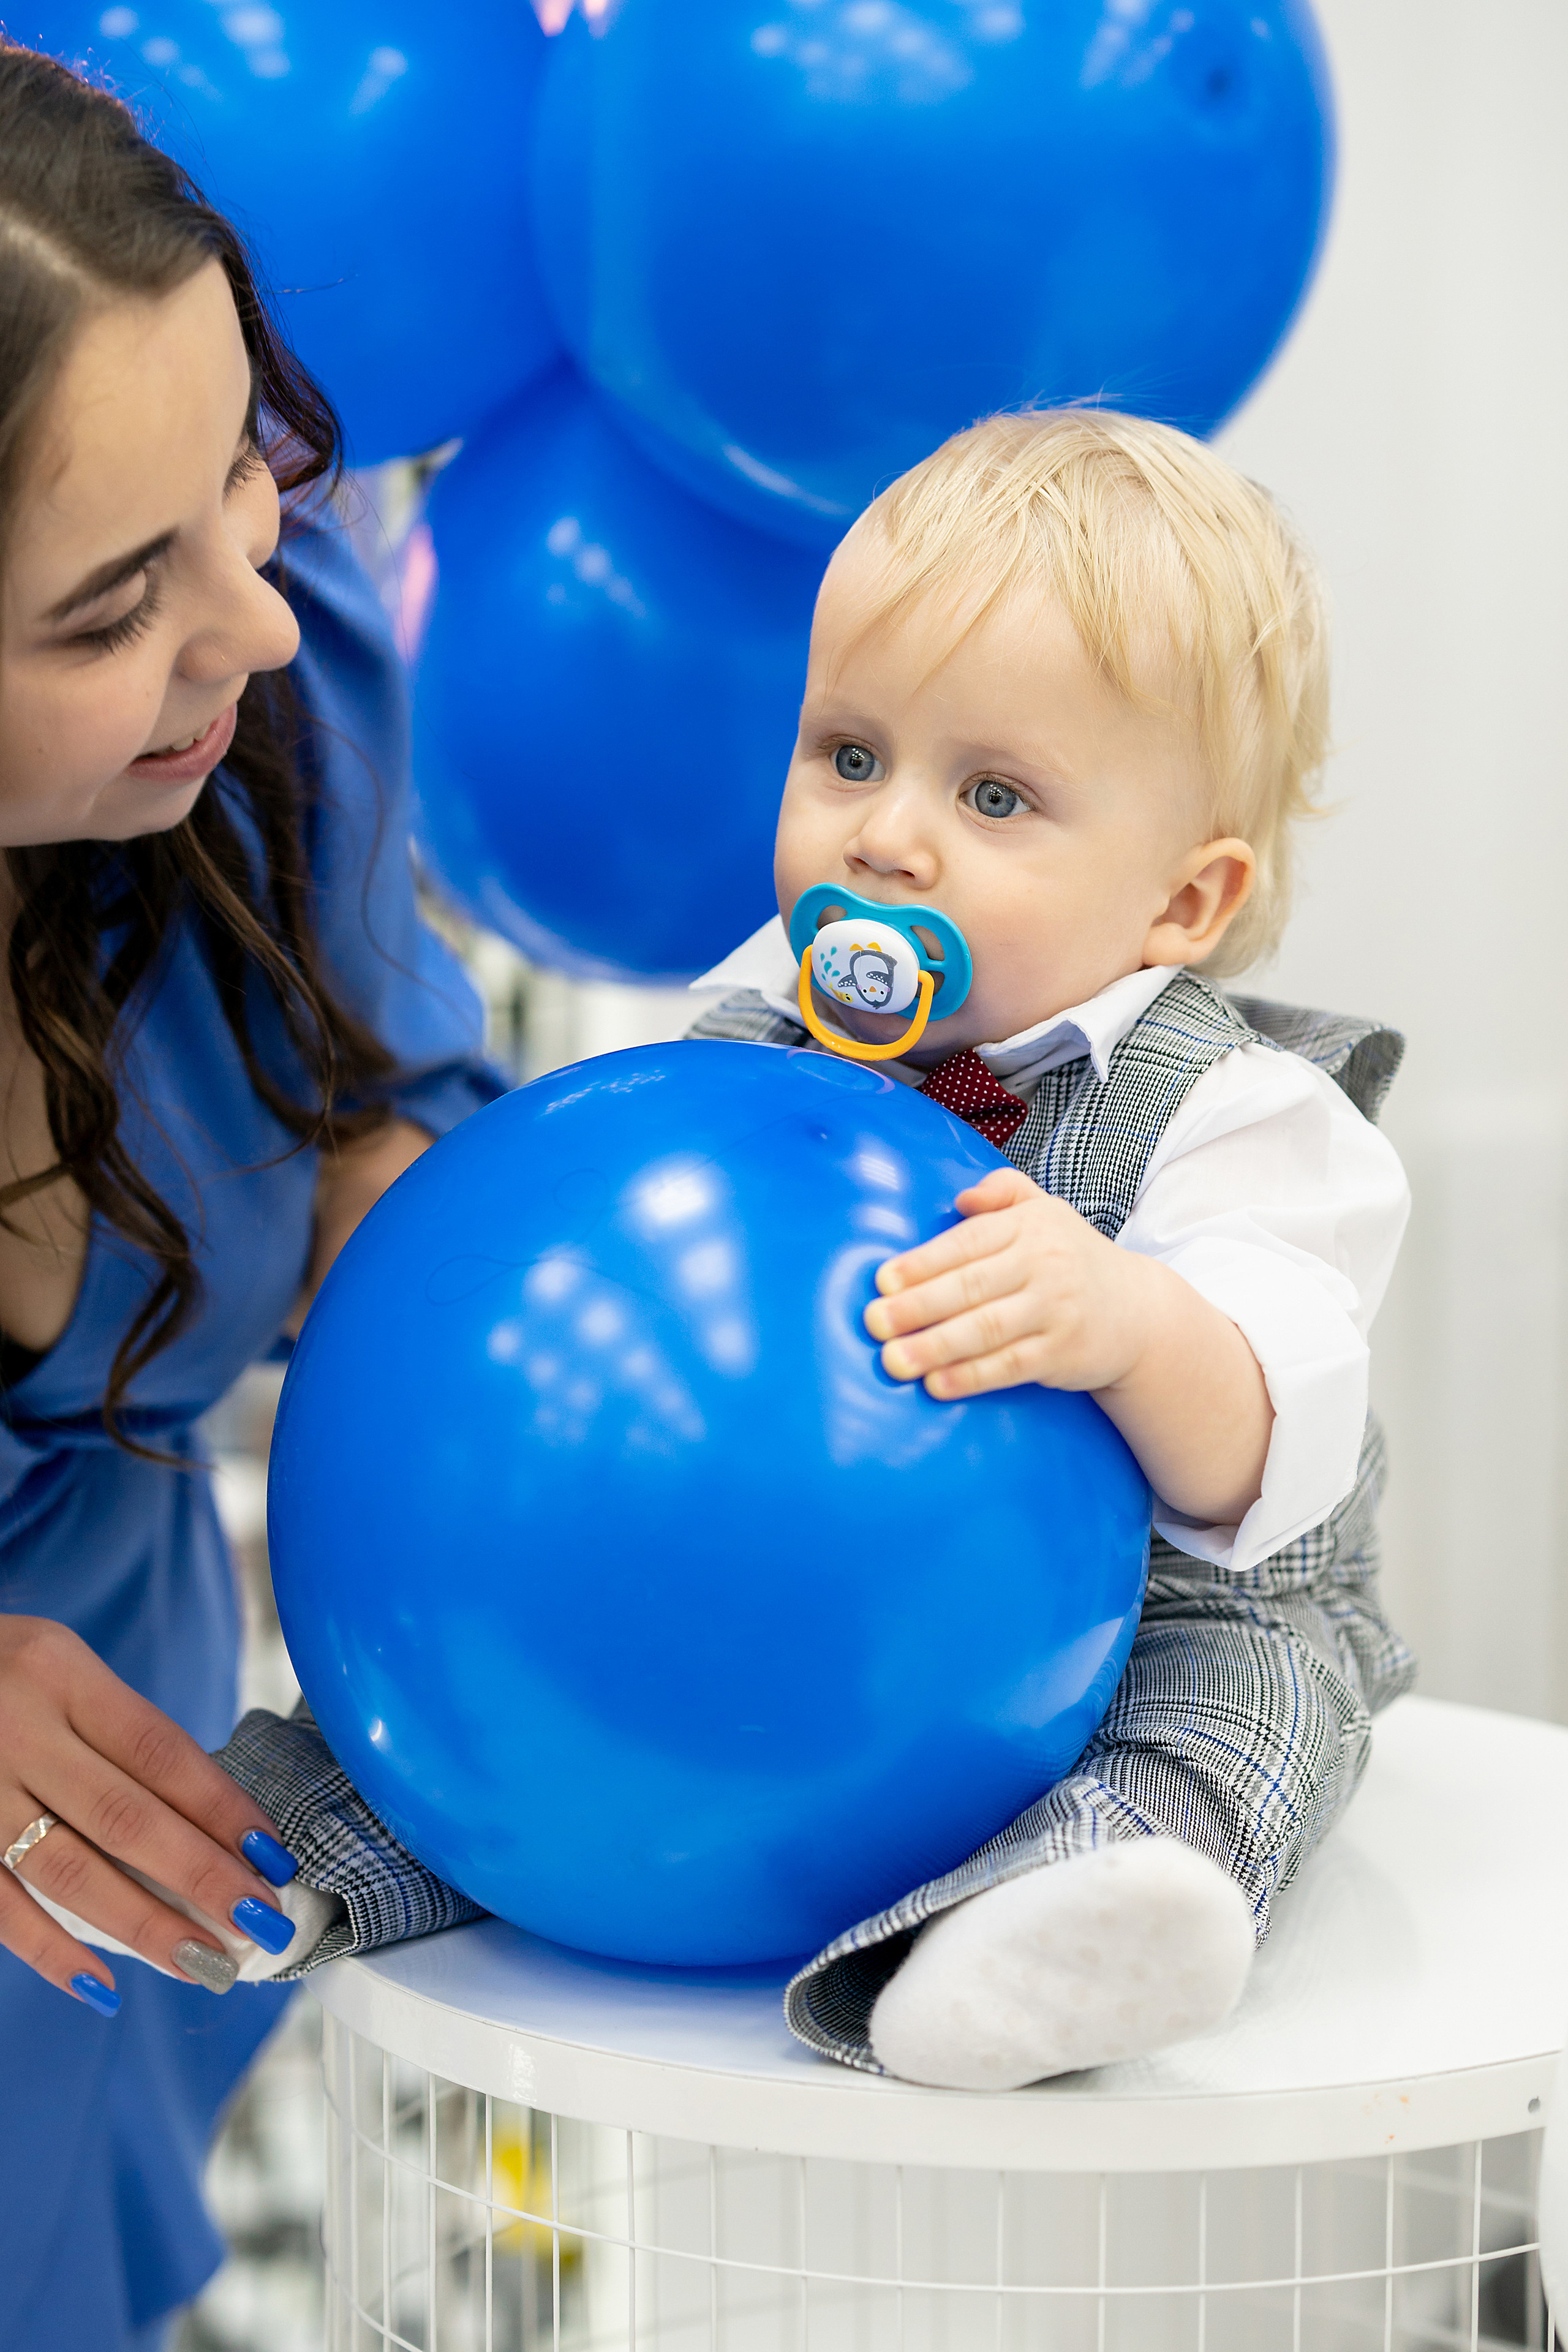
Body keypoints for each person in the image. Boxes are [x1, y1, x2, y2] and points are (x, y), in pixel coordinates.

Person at [687, 407, 1415, 2089]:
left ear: (1183, 904)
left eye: (994, 793)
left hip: (1162, 1615)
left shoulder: (1244, 1119)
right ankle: (333, 1846)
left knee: (1255, 1716)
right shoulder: (764, 1017)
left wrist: (1127, 1322)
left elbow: (1261, 1438)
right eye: (850, 755)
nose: (885, 838)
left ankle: (1084, 1916)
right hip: (853, 1595)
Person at [0, 45, 502, 2348]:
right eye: (110, 608)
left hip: (116, 1889)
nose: (257, 620)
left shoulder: (280, 719)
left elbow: (371, 1112)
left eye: (247, 478)